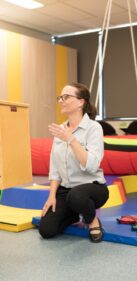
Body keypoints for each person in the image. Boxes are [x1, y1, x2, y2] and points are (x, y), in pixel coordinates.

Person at [39, 82, 109, 243]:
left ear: (81, 102)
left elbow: (91, 165)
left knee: (77, 196)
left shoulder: (94, 128)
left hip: (92, 189)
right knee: (46, 230)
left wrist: (71, 139)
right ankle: (74, 213)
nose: (61, 100)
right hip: (66, 191)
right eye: (60, 97)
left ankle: (92, 220)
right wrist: (51, 196)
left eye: (66, 97)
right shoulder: (60, 130)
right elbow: (55, 168)